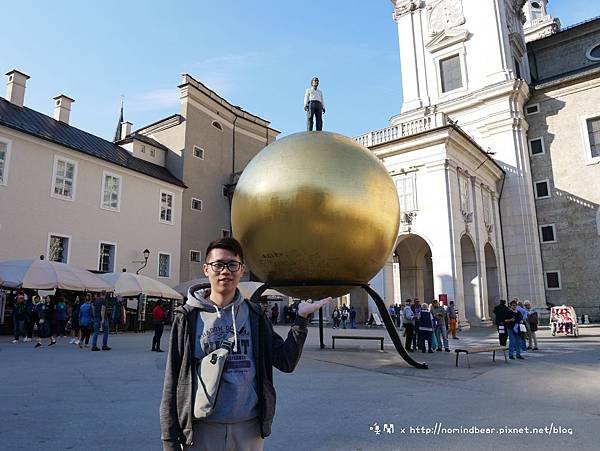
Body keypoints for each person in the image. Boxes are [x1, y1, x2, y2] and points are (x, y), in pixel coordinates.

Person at [160, 237, 330, 450]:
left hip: (248, 428)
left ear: (241, 270)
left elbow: (286, 361)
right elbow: (173, 380)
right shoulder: (187, 318)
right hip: (202, 428)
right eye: (218, 264)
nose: (225, 271)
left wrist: (301, 320)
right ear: (206, 269)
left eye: (233, 265)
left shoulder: (255, 315)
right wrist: (169, 439)